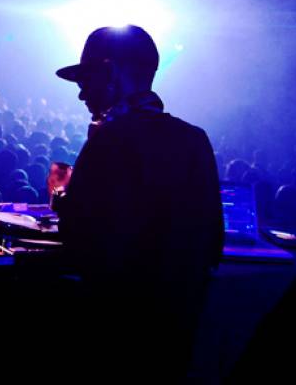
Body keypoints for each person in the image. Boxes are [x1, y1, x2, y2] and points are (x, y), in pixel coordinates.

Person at [51, 25, 224, 381]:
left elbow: (80, 238)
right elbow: (213, 241)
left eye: (86, 79)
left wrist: (60, 193)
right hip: (175, 332)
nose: (81, 94)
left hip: (115, 335)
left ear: (110, 73)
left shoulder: (109, 140)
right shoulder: (195, 139)